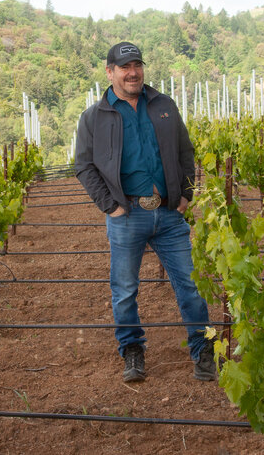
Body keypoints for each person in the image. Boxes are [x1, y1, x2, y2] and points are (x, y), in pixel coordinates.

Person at [74, 42, 215, 383]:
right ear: (110, 72)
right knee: (124, 290)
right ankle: (132, 350)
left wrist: (185, 196)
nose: (132, 72)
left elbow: (185, 150)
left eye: (137, 64)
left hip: (169, 214)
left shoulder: (163, 105)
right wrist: (110, 206)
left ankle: (203, 350)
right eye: (124, 67)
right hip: (128, 215)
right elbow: (84, 166)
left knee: (191, 285)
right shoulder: (94, 117)